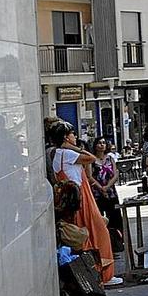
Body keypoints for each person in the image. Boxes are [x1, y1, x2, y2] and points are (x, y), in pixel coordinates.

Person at [50, 123, 121, 286]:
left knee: (87, 237)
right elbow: (90, 158)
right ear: (66, 138)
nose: (75, 137)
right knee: (100, 233)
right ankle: (105, 274)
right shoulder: (67, 153)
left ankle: (97, 273)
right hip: (81, 200)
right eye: (72, 134)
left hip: (74, 201)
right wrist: (73, 147)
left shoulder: (56, 155)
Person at [88, 137, 122, 249]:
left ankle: (117, 241)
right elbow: (89, 176)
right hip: (97, 193)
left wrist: (107, 187)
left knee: (115, 217)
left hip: (111, 192)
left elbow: (116, 174)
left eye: (104, 143)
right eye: (99, 143)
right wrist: (101, 188)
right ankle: (102, 243)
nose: (102, 145)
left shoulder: (110, 158)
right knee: (100, 218)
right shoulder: (91, 160)